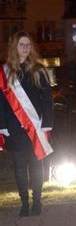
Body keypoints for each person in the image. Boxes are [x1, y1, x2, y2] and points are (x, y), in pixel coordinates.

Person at [0, 31, 53, 216]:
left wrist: (47, 123)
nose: (25, 48)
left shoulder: (38, 70)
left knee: (36, 166)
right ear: (14, 47)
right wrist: (2, 126)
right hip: (14, 128)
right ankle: (24, 203)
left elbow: (47, 99)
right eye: (21, 44)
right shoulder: (5, 72)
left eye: (28, 45)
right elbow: (1, 102)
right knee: (20, 168)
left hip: (35, 127)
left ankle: (37, 202)